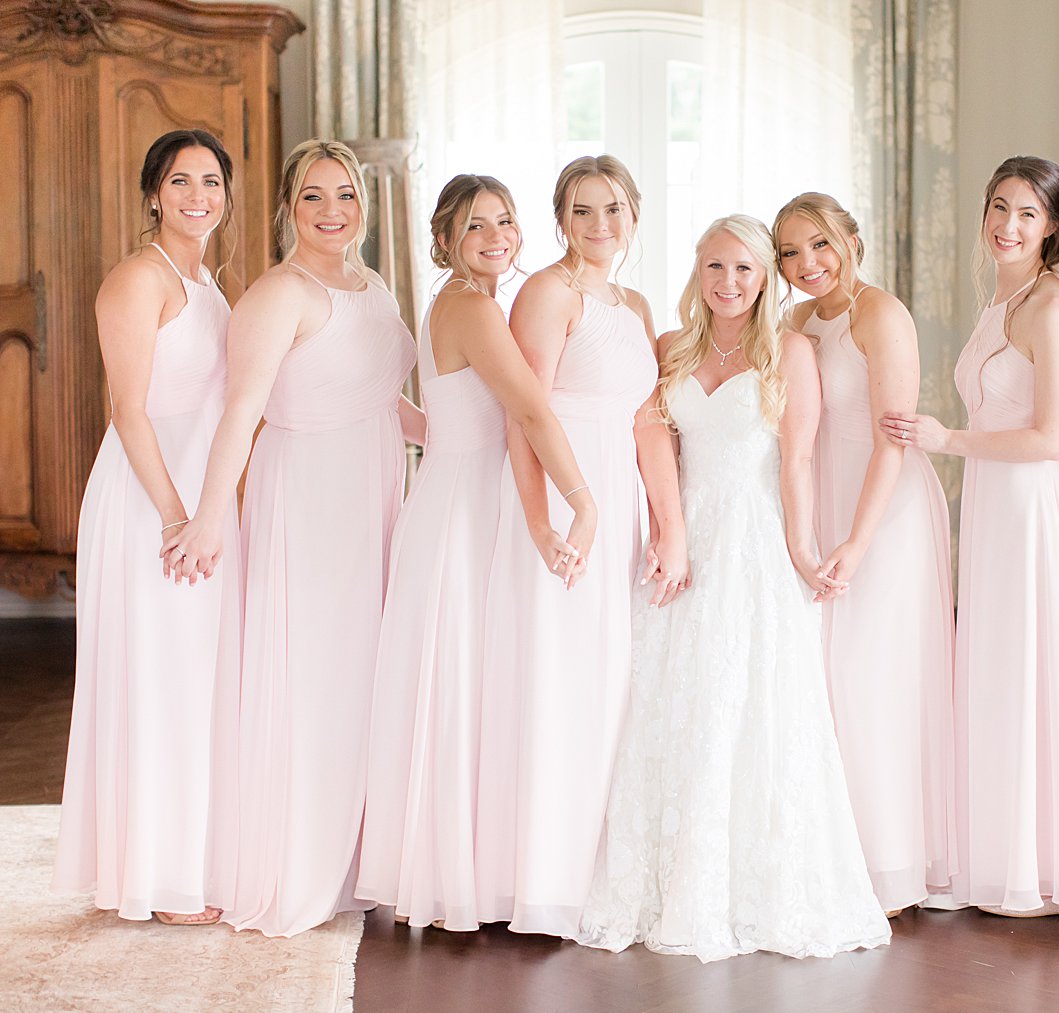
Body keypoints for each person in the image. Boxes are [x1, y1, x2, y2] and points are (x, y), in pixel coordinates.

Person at [577, 214, 890, 960]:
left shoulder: (791, 351)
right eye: (716, 267)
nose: (729, 282)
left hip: (752, 542)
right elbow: (651, 432)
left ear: (765, 276)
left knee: (747, 703)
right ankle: (669, 881)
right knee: (674, 696)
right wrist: (670, 528)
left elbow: (797, 460)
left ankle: (749, 885)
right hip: (688, 541)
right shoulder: (671, 349)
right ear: (698, 270)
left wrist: (803, 550)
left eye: (745, 269)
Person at [165, 139, 423, 937]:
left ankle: (352, 858)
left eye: (344, 194)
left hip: (375, 488)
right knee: (313, 671)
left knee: (366, 672)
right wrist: (212, 511)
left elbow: (390, 397)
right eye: (313, 197)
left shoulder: (374, 283)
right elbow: (242, 410)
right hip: (308, 497)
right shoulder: (280, 293)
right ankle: (293, 861)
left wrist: (470, 442)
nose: (332, 211)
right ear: (287, 206)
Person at [355, 175, 595, 931]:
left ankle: (480, 865)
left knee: (477, 679)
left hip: (463, 491)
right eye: (475, 226)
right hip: (464, 510)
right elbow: (529, 407)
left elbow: (451, 418)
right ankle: (463, 877)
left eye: (505, 221)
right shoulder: (469, 306)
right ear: (446, 240)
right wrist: (584, 499)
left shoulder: (463, 303)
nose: (496, 236)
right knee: (461, 678)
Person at [473, 155, 683, 936]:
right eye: (583, 211)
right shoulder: (547, 293)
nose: (600, 225)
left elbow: (647, 420)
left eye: (614, 210)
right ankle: (539, 878)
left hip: (619, 500)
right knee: (554, 676)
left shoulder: (632, 301)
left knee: (611, 681)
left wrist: (668, 525)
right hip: (563, 501)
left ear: (635, 216)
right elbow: (525, 414)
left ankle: (597, 866)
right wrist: (541, 522)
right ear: (560, 220)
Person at [880, 156, 1059, 918]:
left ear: (1055, 228)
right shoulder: (999, 298)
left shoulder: (1052, 308)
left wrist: (947, 439)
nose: (1008, 224)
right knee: (996, 668)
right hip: (993, 506)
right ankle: (996, 851)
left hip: (1030, 506)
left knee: (1027, 669)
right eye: (999, 207)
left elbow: (1048, 438)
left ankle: (1035, 864)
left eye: (1028, 214)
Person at [53, 130, 242, 926]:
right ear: (153, 195)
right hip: (148, 504)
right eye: (180, 182)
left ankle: (183, 857)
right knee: (159, 681)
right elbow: (128, 411)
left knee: (194, 683)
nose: (197, 195)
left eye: (210, 181)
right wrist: (175, 516)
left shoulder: (209, 281)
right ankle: (157, 881)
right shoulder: (138, 280)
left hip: (201, 501)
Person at [773, 192, 955, 916]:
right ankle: (832, 852)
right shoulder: (794, 322)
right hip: (826, 495)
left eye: (819, 244)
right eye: (789, 252)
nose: (806, 263)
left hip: (885, 508)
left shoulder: (880, 315)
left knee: (872, 673)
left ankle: (889, 865)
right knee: (822, 677)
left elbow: (894, 436)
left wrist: (856, 537)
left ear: (853, 239)